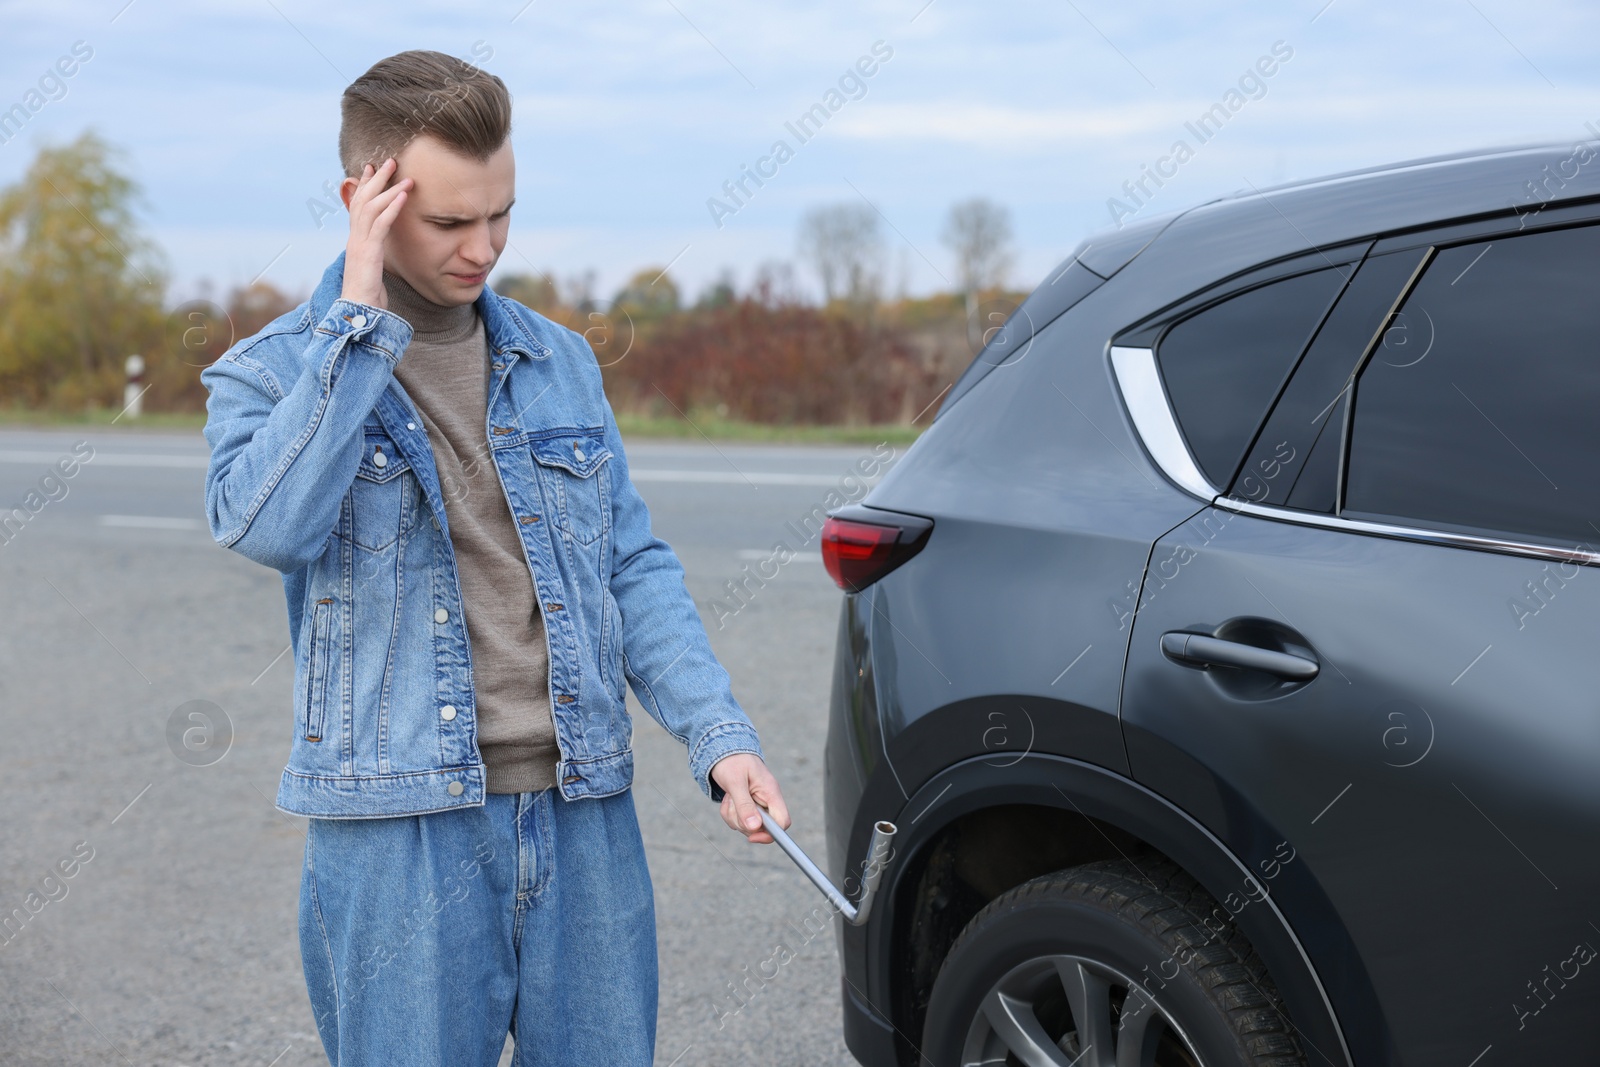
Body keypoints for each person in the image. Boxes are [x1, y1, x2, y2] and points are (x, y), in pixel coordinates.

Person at [199, 49, 789, 1066]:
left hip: (583, 809)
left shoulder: (557, 358)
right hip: (400, 828)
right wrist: (358, 319)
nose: (485, 247)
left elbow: (630, 567)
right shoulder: (271, 371)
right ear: (366, 200)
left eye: (502, 213)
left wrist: (717, 736)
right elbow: (268, 525)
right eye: (449, 221)